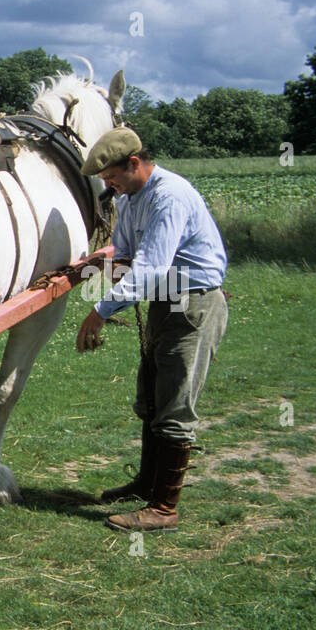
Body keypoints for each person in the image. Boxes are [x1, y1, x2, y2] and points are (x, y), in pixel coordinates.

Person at [74, 127, 228, 532]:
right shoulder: (130, 200)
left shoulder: (168, 196)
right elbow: (125, 257)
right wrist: (83, 269)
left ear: (134, 164)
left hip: (192, 303)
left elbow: (151, 268)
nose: (109, 186)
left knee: (175, 402)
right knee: (153, 399)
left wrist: (101, 311)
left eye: (112, 177)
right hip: (165, 301)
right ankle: (147, 483)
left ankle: (164, 508)